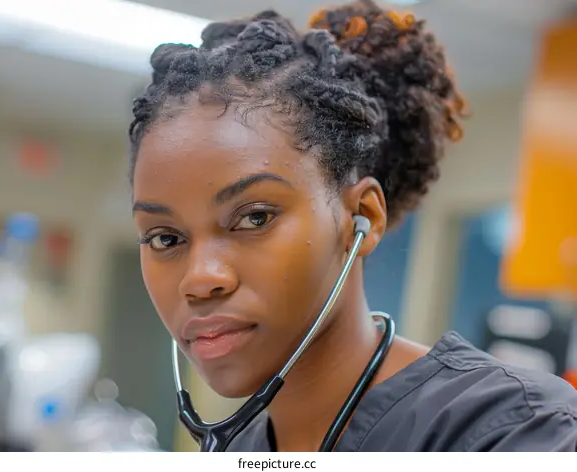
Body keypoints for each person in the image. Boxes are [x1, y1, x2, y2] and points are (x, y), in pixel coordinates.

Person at [127, 0, 577, 452]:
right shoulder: (241, 449)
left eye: (254, 217)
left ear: (364, 216)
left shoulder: (517, 432)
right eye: (166, 238)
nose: (200, 279)